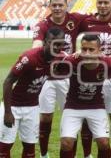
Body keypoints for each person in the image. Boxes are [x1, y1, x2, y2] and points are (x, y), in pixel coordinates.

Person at [32, 0, 93, 158]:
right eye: (54, 5)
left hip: (69, 78)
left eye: (61, 5)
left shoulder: (75, 19)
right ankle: (44, 155)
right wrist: (63, 56)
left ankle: (80, 154)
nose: (57, 8)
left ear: (67, 6)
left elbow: (98, 19)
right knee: (45, 118)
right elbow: (36, 47)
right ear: (49, 6)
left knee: (72, 119)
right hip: (47, 79)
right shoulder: (43, 25)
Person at [0, 27, 65, 158]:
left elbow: (78, 57)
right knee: (4, 147)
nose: (56, 47)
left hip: (33, 108)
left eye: (59, 44)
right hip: (13, 106)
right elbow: (8, 82)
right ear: (45, 41)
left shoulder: (60, 58)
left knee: (30, 147)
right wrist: (8, 112)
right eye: (53, 43)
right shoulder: (29, 58)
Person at [79, 0, 111, 156]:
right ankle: (87, 154)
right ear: (96, 3)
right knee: (86, 117)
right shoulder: (86, 21)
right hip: (89, 77)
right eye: (100, 2)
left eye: (107, 3)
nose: (103, 5)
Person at [59, 34, 111, 158]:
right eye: (84, 49)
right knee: (66, 143)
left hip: (96, 106)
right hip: (73, 106)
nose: (87, 53)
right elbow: (54, 67)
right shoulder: (71, 61)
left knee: (104, 143)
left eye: (91, 49)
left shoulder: (107, 62)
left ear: (99, 50)